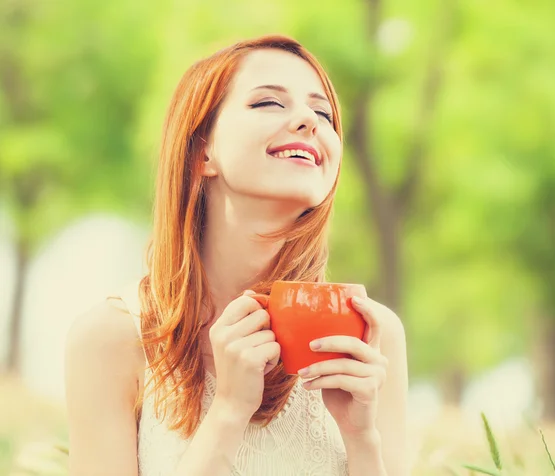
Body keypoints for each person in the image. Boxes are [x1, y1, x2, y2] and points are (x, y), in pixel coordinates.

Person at [65, 35, 408, 476]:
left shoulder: (372, 335)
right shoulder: (111, 339)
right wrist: (228, 412)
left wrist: (362, 439)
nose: (309, 121)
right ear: (201, 152)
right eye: (269, 103)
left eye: (323, 112)